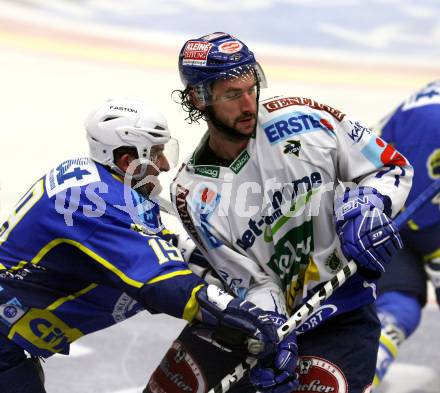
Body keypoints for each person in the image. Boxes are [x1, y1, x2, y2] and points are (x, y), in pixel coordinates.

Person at [144, 32, 413, 393]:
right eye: (232, 95)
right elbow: (250, 281)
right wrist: (268, 327)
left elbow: (390, 168)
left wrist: (370, 203)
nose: (249, 104)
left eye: (251, 88)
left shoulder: (307, 120)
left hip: (342, 313)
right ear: (198, 98)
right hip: (255, 326)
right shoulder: (190, 194)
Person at [0, 98, 285, 393]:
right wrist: (233, 312)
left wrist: (222, 267)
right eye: (157, 154)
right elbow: (160, 283)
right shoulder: (94, 204)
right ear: (127, 161)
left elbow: (156, 244)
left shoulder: (101, 185)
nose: (164, 165)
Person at [372, 80, 440, 388]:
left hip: (380, 208)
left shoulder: (429, 98)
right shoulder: (431, 121)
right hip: (414, 210)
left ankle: (360, 379)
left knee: (397, 307)